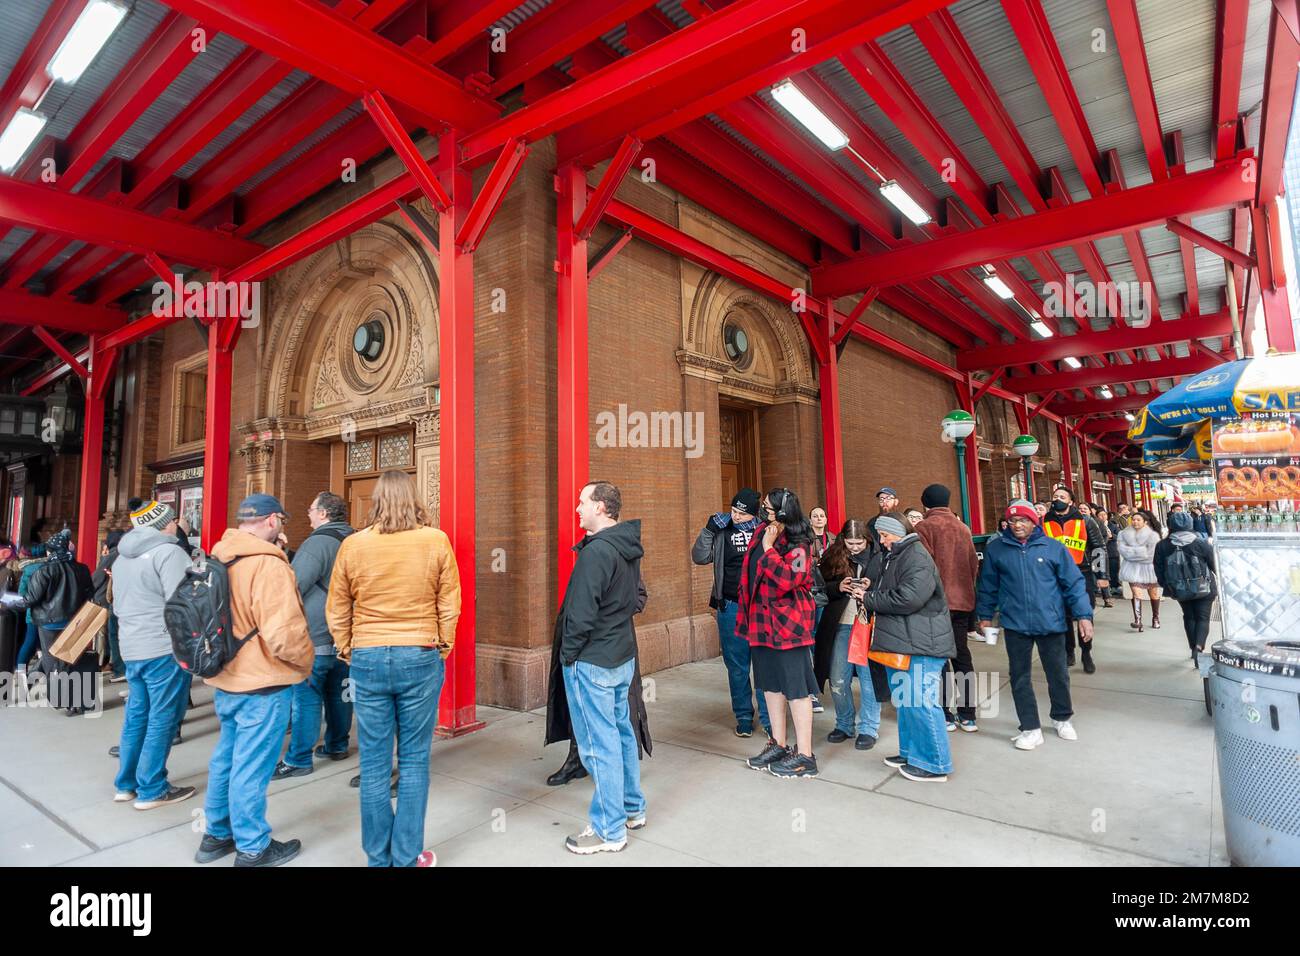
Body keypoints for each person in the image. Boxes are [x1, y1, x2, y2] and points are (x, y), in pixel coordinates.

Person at [326, 472, 460, 867]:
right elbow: (449, 602)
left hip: (367, 655)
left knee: (373, 761)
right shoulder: (435, 540)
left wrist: (349, 647)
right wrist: (442, 647)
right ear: (414, 498)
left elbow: (337, 606)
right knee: (415, 760)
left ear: (377, 501)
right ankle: (406, 856)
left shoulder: (353, 545)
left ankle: (377, 856)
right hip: (419, 652)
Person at [195, 494, 314, 868]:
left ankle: (216, 835)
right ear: (272, 519)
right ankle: (252, 847)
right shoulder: (267, 565)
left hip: (227, 677)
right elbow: (284, 634)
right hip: (262, 682)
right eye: (281, 519)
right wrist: (305, 662)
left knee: (227, 759)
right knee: (252, 766)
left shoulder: (220, 556)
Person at [553, 480, 647, 855]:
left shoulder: (596, 554)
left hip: (592, 661)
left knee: (598, 745)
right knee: (621, 734)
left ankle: (609, 830)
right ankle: (631, 807)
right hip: (621, 656)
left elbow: (579, 614)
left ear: (601, 508)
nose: (577, 509)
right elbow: (636, 597)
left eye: (582, 502)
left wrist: (568, 655)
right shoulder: (627, 547)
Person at [976, 501, 1093, 751]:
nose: (1018, 525)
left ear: (1034, 522)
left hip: (1051, 621)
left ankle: (1062, 717)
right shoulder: (997, 549)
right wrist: (985, 615)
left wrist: (1084, 615)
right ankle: (1030, 728)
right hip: (1016, 623)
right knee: (1019, 676)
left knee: (1058, 674)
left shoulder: (1053, 548)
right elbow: (987, 585)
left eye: (1024, 520)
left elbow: (1073, 584)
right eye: (1013, 520)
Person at [110, 501, 195, 809]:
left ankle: (126, 783)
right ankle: (153, 788)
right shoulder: (169, 553)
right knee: (163, 717)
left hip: (132, 645)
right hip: (162, 647)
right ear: (164, 524)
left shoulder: (122, 557)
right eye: (172, 520)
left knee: (137, 714)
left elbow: (117, 604)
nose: (177, 524)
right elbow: (182, 602)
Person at [858, 515, 956, 782]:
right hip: (905, 641)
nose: (881, 540)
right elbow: (897, 588)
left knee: (921, 702)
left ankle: (934, 764)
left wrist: (869, 598)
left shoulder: (916, 556)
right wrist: (870, 586)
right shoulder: (899, 555)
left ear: (898, 532)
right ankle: (912, 753)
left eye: (884, 535)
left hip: (922, 642)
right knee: (906, 702)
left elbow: (909, 598)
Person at [274, 492, 355, 779]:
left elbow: (293, 586)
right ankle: (337, 744)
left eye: (310, 509)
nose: (307, 514)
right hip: (347, 635)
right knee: (341, 692)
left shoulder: (316, 543)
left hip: (317, 634)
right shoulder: (356, 538)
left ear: (322, 513)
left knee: (306, 697)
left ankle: (298, 759)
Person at [741, 488, 819, 779]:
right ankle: (779, 744)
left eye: (768, 508)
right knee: (770, 685)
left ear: (783, 512)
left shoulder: (800, 544)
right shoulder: (763, 531)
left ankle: (805, 756)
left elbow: (791, 578)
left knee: (795, 689)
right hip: (760, 622)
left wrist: (770, 547)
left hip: (789, 625)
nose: (763, 512)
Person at [690, 489, 769, 738]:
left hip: (760, 607)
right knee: (737, 666)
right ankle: (744, 716)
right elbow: (700, 557)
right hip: (731, 606)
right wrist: (708, 530)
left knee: (764, 665)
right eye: (733, 511)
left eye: (742, 513)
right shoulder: (722, 531)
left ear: (753, 515)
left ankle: (769, 718)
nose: (735, 516)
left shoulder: (766, 532)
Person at [913, 484, 981, 733]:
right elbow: (974, 565)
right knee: (962, 655)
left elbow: (923, 568)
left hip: (935, 604)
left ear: (925, 504)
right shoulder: (962, 528)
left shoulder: (924, 527)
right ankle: (969, 714)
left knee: (938, 659)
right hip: (962, 603)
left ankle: (944, 713)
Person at [812, 519, 881, 750]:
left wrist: (870, 588)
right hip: (839, 623)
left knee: (868, 679)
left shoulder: (879, 556)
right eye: (850, 542)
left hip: (866, 624)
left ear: (867, 539)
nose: (854, 547)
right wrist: (838, 587)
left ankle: (869, 728)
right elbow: (820, 586)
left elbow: (890, 588)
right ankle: (844, 724)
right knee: (837, 677)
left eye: (859, 542)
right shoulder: (834, 555)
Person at [24, 530, 96, 715]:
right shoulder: (81, 569)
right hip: (75, 622)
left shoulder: (44, 571)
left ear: (50, 551)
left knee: (51, 661)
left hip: (48, 624)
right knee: (71, 660)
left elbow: (31, 599)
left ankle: (61, 698)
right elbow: (90, 593)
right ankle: (76, 702)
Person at [1042, 486, 1099, 673]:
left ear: (1071, 502)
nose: (1057, 499)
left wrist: (1102, 575)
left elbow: (1098, 547)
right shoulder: (1044, 522)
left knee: (1085, 614)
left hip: (1081, 572)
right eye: (1055, 496)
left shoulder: (1085, 520)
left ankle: (1086, 652)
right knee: (1063, 616)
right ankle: (1069, 652)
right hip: (1055, 575)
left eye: (1062, 496)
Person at [1154, 510, 1217, 663]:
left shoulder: (1163, 545)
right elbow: (1214, 565)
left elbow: (1158, 568)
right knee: (1203, 618)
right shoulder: (1201, 543)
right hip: (1204, 587)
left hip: (1179, 588)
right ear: (1190, 524)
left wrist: (1167, 585)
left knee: (1189, 616)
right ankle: (1199, 647)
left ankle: (1192, 647)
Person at [1118, 509, 1162, 631]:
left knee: (1153, 594)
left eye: (1138, 520)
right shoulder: (1124, 534)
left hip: (1150, 567)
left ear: (1145, 522)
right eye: (1133, 520)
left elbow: (1154, 552)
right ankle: (1138, 620)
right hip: (1133, 567)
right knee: (1136, 593)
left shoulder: (1153, 535)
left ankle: (1156, 618)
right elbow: (1122, 549)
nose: (1135, 522)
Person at [92, 530, 126, 681]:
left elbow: (97, 577)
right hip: (116, 598)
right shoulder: (124, 554)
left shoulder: (112, 554)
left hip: (106, 598)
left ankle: (106, 663)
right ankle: (111, 663)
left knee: (106, 634)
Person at [14, 543, 46, 672]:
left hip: (32, 612)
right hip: (50, 612)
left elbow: (22, 593)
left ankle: (21, 670)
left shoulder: (28, 570)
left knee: (29, 641)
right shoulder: (51, 567)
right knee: (45, 644)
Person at [1083, 504, 1114, 608]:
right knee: (1090, 580)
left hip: (1096, 554)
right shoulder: (1077, 523)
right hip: (1085, 556)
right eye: (1080, 508)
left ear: (1090, 511)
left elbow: (1103, 538)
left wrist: (1102, 546)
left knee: (1100, 576)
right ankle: (1093, 597)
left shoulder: (1095, 522)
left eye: (1085, 508)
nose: (1082, 510)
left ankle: (1107, 597)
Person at [1102, 508, 1122, 600]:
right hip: (1101, 551)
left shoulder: (1113, 525)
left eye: (1104, 514)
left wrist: (1111, 536)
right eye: (1100, 515)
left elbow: (1119, 536)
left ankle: (1114, 586)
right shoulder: (1096, 525)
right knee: (1104, 571)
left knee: (1114, 570)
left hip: (1113, 551)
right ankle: (1106, 588)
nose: (1103, 516)